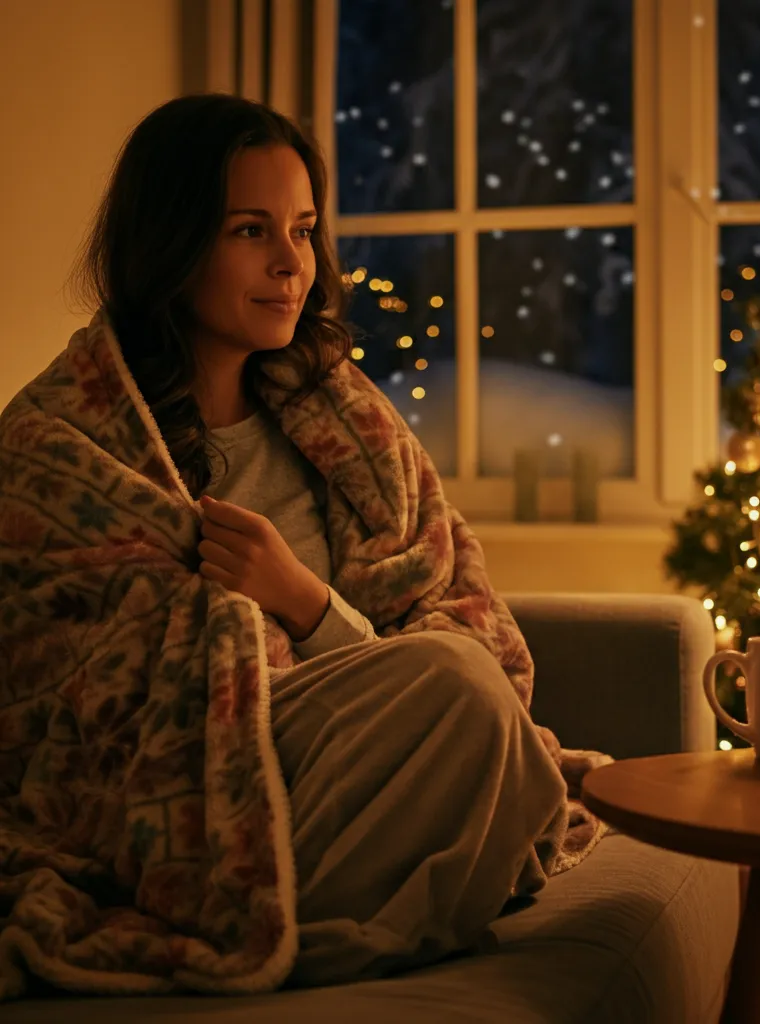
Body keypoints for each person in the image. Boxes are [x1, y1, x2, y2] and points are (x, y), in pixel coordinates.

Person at [24, 93, 575, 989]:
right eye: (251, 231)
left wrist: (304, 603)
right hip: (203, 804)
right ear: (172, 243)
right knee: (460, 694)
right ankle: (332, 923)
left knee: (463, 682)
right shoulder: (66, 450)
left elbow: (455, 624)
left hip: (366, 768)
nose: (294, 265)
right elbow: (66, 716)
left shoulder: (346, 423)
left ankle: (351, 906)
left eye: (305, 229)